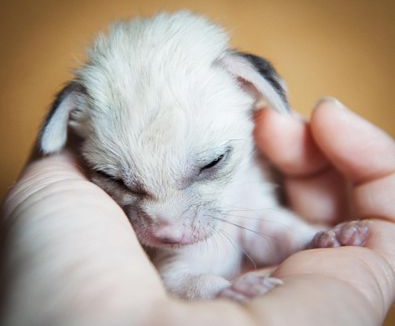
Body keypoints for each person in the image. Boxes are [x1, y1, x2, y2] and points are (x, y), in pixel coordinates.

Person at [1, 98, 394, 325]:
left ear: (249, 91)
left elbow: (267, 226)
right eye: (117, 178)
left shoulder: (248, 166)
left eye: (209, 164)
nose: (166, 227)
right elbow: (177, 277)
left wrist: (315, 241)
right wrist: (217, 291)